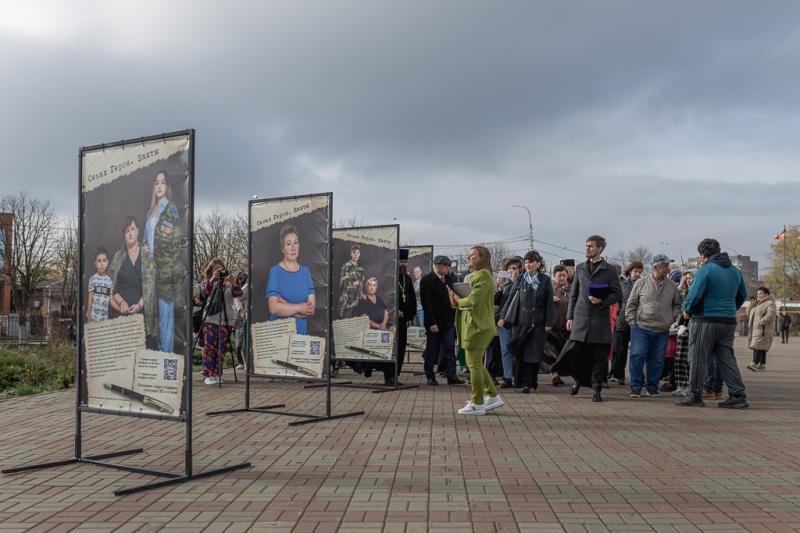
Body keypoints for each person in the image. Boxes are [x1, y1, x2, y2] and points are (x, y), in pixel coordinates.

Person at [675, 238, 749, 408]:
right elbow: (742, 295)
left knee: (697, 357)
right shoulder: (735, 271)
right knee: (726, 358)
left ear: (702, 254)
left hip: (705, 319)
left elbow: (695, 294)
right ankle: (738, 395)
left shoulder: (705, 270)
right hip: (728, 321)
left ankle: (694, 394)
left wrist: (687, 310)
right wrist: (730, 309)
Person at [562, 235, 622, 402]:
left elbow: (617, 294)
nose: (587, 248)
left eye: (591, 246)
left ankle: (596, 388)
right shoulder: (580, 268)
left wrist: (602, 300)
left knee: (598, 357)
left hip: (599, 321)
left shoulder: (609, 270)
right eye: (586, 246)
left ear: (600, 249)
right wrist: (569, 317)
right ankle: (578, 381)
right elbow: (574, 295)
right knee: (578, 355)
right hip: (581, 320)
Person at [450, 245, 503, 415]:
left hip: (478, 326)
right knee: (476, 364)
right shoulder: (477, 275)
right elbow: (469, 301)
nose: (468, 258)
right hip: (475, 324)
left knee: (474, 365)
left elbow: (473, 300)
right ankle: (492, 395)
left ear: (483, 258)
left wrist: (458, 301)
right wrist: (456, 301)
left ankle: (477, 402)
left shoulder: (483, 276)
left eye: (472, 255)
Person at [625, 254, 682, 398]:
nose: (668, 269)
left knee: (657, 359)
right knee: (637, 356)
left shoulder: (672, 286)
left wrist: (671, 318)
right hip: (641, 327)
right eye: (665, 266)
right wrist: (632, 322)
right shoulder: (641, 283)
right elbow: (631, 304)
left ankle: (652, 387)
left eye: (668, 266)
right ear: (656, 267)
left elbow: (677, 304)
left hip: (662, 329)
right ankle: (636, 386)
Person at [499, 250, 554, 393]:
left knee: (534, 354)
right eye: (526, 262)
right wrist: (503, 317)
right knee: (522, 354)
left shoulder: (545, 280)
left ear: (538, 264)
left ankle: (532, 380)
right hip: (521, 322)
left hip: (538, 324)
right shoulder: (521, 278)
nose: (528, 265)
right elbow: (511, 298)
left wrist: (548, 322)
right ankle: (524, 383)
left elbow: (549, 303)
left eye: (531, 262)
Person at [142, 171, 183, 353]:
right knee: (152, 319)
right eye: (156, 182)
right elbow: (145, 238)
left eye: (163, 182)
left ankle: (166, 357)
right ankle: (156, 356)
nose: (159, 186)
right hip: (150, 271)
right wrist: (145, 245)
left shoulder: (171, 208)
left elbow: (177, 241)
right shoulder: (151, 211)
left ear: (168, 186)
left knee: (165, 320)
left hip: (166, 272)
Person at [108, 215, 158, 347]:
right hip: (120, 314)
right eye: (127, 231)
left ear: (138, 230)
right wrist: (122, 303)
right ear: (124, 235)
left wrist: (139, 306)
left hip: (141, 315)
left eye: (132, 229)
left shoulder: (148, 259)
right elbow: (111, 288)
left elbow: (150, 290)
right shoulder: (117, 257)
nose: (130, 233)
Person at [420, 255, 463, 386]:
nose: (448, 269)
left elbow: (454, 299)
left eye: (449, 266)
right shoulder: (427, 280)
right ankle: (430, 375)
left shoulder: (451, 279)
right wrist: (432, 323)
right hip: (434, 322)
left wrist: (453, 317)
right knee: (432, 349)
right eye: (446, 266)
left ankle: (451, 375)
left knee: (450, 348)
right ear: (437, 266)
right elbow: (427, 304)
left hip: (448, 321)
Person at [266, 225, 316, 335]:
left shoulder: (306, 272)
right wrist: (300, 308)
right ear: (282, 248)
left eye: (296, 243)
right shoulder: (275, 271)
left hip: (300, 336)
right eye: (288, 244)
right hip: (279, 336)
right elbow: (274, 308)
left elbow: (311, 310)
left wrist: (287, 306)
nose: (293, 248)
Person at [200, 259, 242, 385]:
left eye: (221, 268)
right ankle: (208, 375)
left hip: (226, 320)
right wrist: (212, 279)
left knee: (221, 348)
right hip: (211, 319)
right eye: (216, 269)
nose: (219, 271)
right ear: (211, 271)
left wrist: (233, 283)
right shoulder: (208, 282)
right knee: (209, 348)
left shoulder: (228, 284)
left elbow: (239, 293)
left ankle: (217, 374)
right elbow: (203, 293)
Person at [611, 261, 643, 385]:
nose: (637, 274)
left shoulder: (643, 284)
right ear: (630, 271)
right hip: (623, 318)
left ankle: (639, 376)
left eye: (640, 272)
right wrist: (618, 312)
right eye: (635, 271)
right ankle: (619, 375)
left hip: (638, 319)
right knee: (621, 349)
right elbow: (618, 300)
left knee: (638, 350)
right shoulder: (622, 284)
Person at [495, 257, 522, 388]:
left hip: (518, 320)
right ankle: (507, 377)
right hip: (504, 321)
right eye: (509, 268)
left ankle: (518, 376)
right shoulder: (505, 284)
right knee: (505, 350)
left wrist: (515, 282)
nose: (511, 271)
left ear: (520, 270)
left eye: (514, 268)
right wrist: (500, 288)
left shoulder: (523, 282)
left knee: (517, 349)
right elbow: (497, 302)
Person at [547, 264, 571, 386]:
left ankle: (563, 371)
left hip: (567, 326)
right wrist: (549, 299)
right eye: (559, 276)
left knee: (565, 351)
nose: (562, 278)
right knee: (552, 351)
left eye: (564, 275)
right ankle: (554, 375)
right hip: (553, 325)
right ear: (554, 276)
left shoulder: (572, 289)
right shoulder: (549, 289)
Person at [394, 249, 416, 384]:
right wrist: (394, 309)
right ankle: (389, 375)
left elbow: (411, 298)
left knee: (401, 347)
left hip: (403, 320)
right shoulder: (390, 276)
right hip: (391, 320)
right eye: (401, 261)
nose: (403, 264)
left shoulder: (406, 278)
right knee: (392, 347)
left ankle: (396, 374)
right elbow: (385, 296)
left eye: (405, 262)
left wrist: (410, 317)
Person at [747, 286, 777, 371]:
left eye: (761, 294)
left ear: (766, 294)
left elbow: (771, 315)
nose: (759, 295)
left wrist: (761, 321)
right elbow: (748, 312)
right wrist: (752, 304)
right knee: (761, 346)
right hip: (756, 329)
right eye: (758, 294)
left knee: (757, 345)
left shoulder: (770, 303)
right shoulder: (757, 304)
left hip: (763, 329)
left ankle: (754, 363)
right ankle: (762, 363)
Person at [337, 245, 364, 319]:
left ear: (359, 254)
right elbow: (341, 282)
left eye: (357, 252)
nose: (356, 254)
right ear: (351, 254)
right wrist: (342, 296)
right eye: (354, 252)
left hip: (357, 296)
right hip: (347, 297)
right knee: (347, 317)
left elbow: (361, 280)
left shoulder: (360, 266)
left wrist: (361, 292)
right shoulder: (346, 265)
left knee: (356, 317)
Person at [86, 247, 112, 323]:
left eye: (104, 260)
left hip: (104, 320)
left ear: (107, 262)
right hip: (93, 319)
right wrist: (89, 319)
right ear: (95, 264)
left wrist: (120, 308)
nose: (102, 264)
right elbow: (90, 300)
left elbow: (111, 300)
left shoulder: (109, 281)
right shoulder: (93, 279)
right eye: (99, 261)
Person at [232, 272, 248, 370]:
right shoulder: (249, 285)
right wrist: (241, 310)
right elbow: (237, 298)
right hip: (246, 318)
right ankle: (244, 363)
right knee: (243, 342)